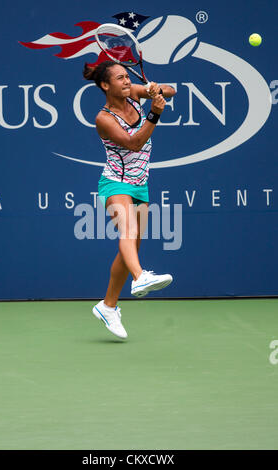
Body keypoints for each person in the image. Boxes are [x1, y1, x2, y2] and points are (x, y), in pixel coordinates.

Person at [83, 60, 176, 339]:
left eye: (127, 77)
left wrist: (156, 89)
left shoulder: (134, 94)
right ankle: (140, 279)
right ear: (105, 85)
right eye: (120, 78)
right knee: (129, 231)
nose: (126, 81)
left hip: (140, 184)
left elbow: (171, 91)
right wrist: (154, 115)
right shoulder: (104, 118)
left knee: (130, 248)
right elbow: (134, 143)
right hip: (114, 182)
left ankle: (108, 306)